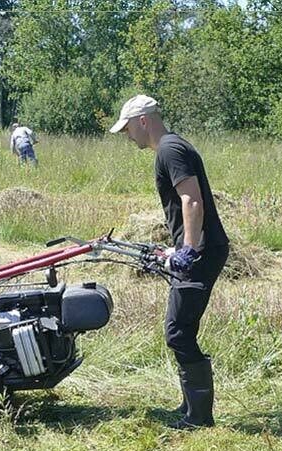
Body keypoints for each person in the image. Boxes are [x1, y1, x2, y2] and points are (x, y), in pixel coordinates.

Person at [110, 94, 229, 430]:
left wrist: (189, 249)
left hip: (202, 252)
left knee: (177, 332)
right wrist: (174, 249)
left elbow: (191, 200)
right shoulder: (172, 148)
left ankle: (199, 417)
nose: (127, 136)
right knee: (182, 328)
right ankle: (191, 405)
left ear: (143, 121)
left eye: (128, 129)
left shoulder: (169, 150)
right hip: (200, 249)